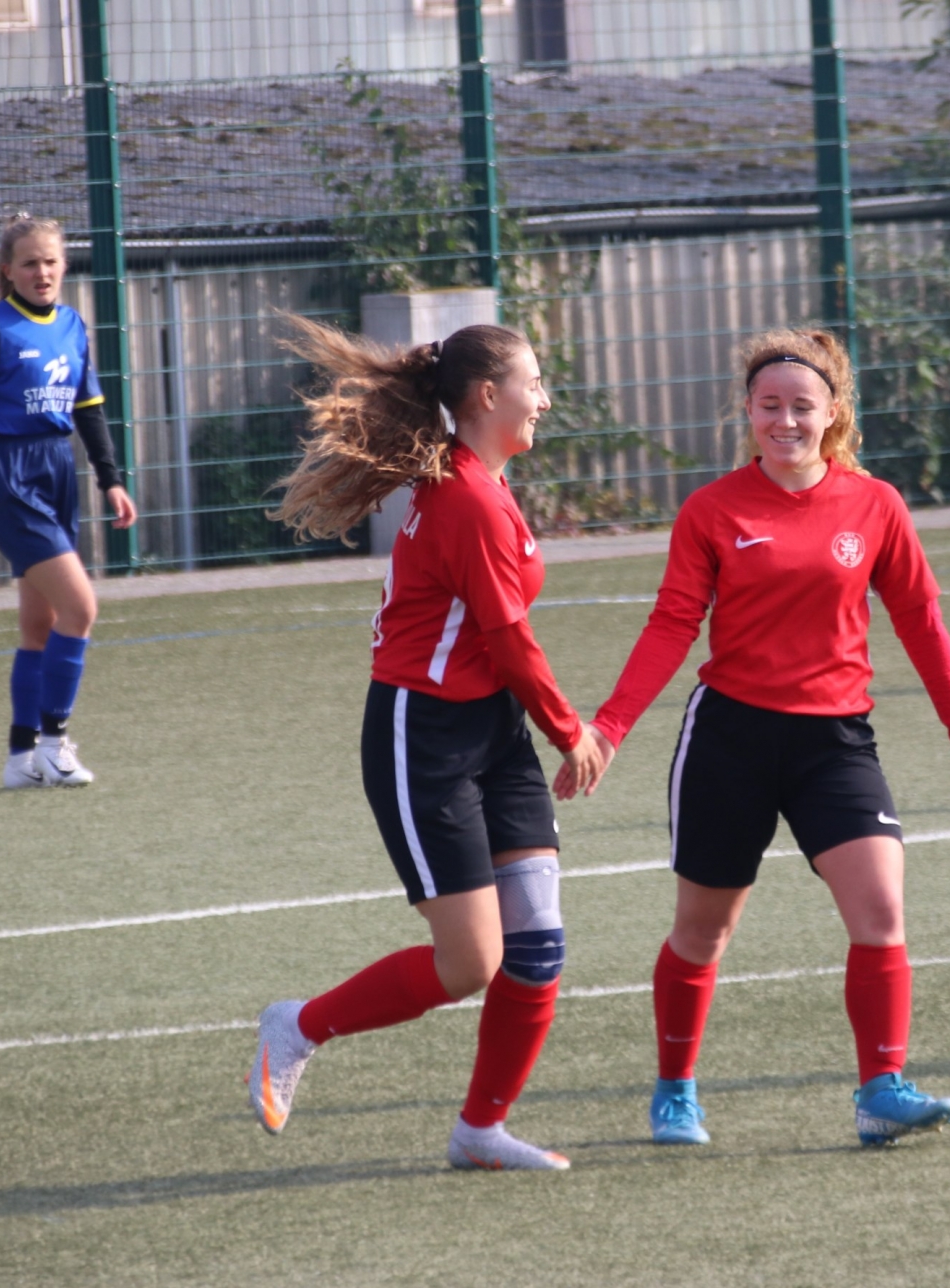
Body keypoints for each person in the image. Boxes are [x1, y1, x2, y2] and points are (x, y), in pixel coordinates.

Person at [560, 328, 950, 1148]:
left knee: (881, 908)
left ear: (833, 414)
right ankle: (675, 1090)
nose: (785, 421)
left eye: (802, 406)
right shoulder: (713, 510)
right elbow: (672, 624)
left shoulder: (875, 505)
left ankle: (881, 1090)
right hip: (730, 740)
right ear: (748, 412)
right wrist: (609, 727)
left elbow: (921, 618)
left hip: (835, 742)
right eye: (770, 406)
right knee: (704, 931)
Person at [246, 317, 608, 1172]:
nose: (545, 399)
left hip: (492, 729)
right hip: (425, 735)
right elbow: (508, 639)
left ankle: (481, 1130)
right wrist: (571, 731)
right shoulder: (470, 498)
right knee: (472, 961)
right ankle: (298, 1026)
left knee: (537, 947)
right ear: (486, 396)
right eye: (533, 384)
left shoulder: (481, 480)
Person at [0, 214, 138, 788]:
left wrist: (111, 480)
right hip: (8, 474)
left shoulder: (72, 324)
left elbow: (89, 409)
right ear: (8, 271)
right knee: (81, 609)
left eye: (50, 261)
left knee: (40, 626)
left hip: (57, 470)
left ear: (64, 266)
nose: (41, 272)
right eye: (29, 263)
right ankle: (54, 743)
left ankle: (21, 759)